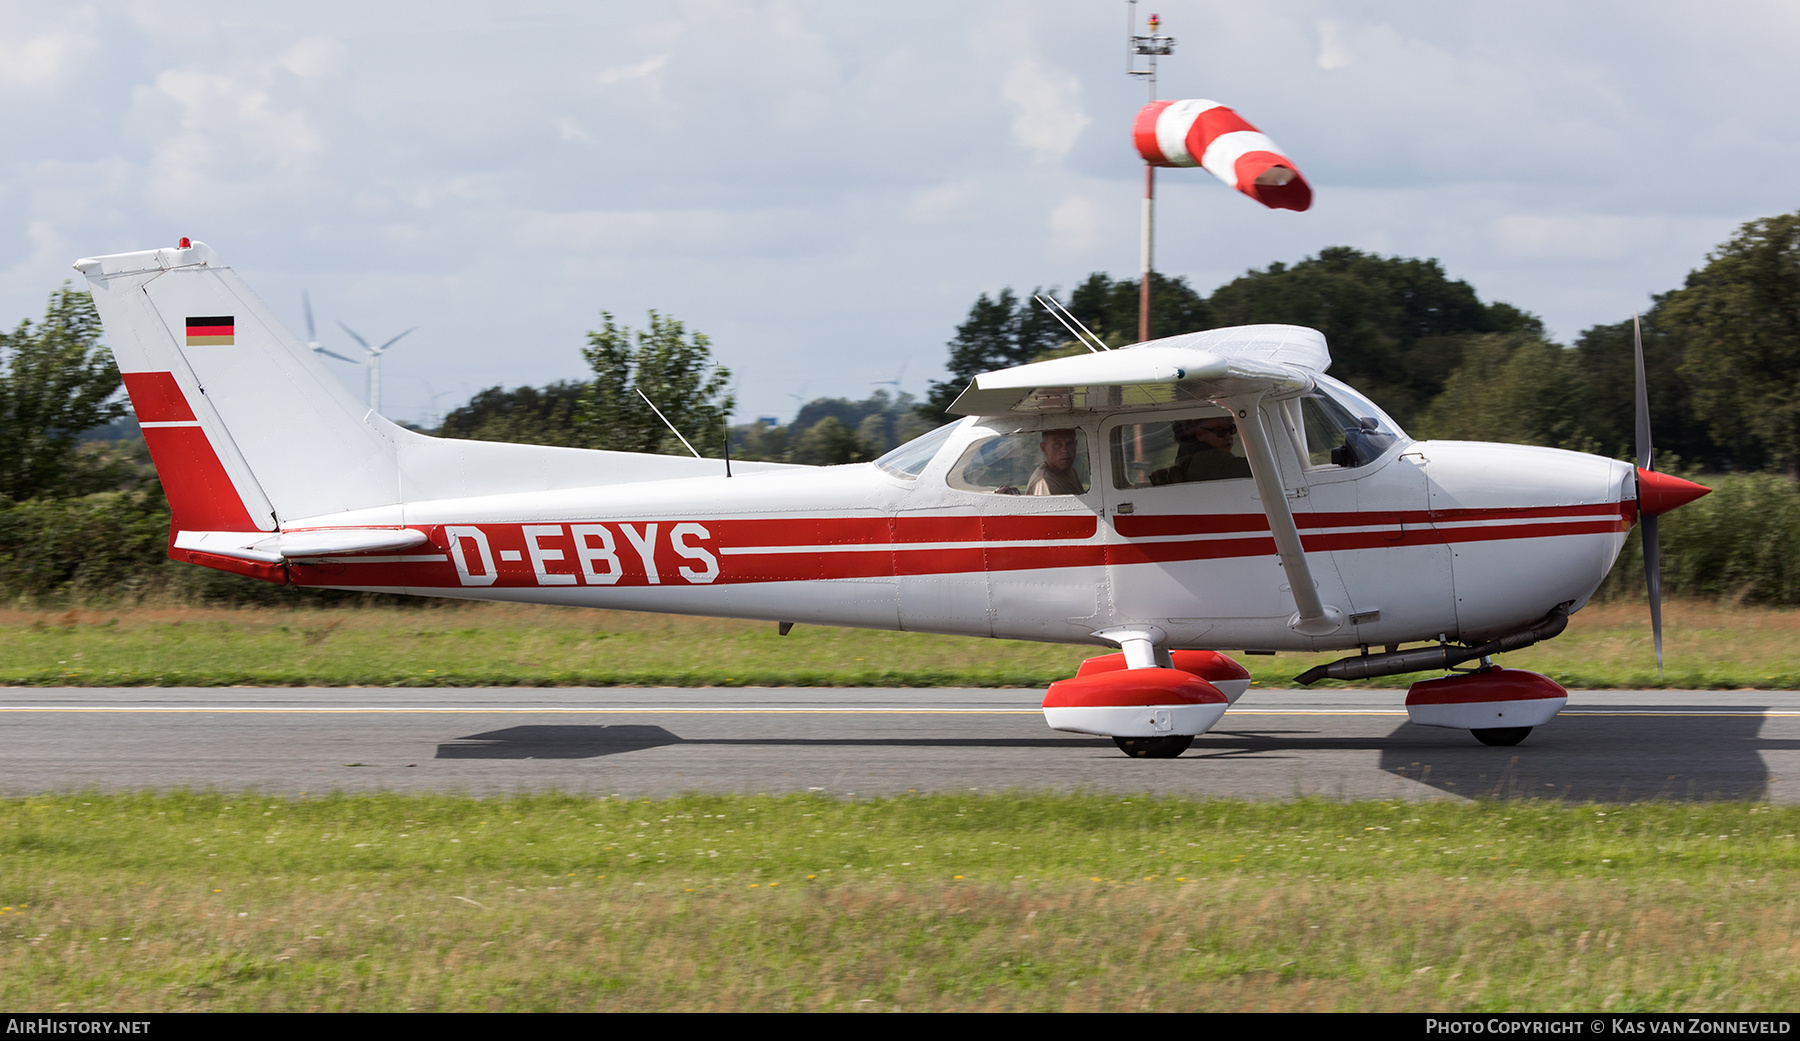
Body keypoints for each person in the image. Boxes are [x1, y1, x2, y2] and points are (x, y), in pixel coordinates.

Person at [1150, 416, 1252, 485]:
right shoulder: (1208, 459)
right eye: (1220, 431)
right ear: (1200, 434)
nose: (1228, 436)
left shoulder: (1186, 456)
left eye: (1232, 430)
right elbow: (1260, 467)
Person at [1026, 428, 1086, 495]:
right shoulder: (1044, 482)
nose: (1065, 450)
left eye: (1069, 443)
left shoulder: (1070, 471)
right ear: (1044, 448)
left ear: (1075, 444)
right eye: (1057, 444)